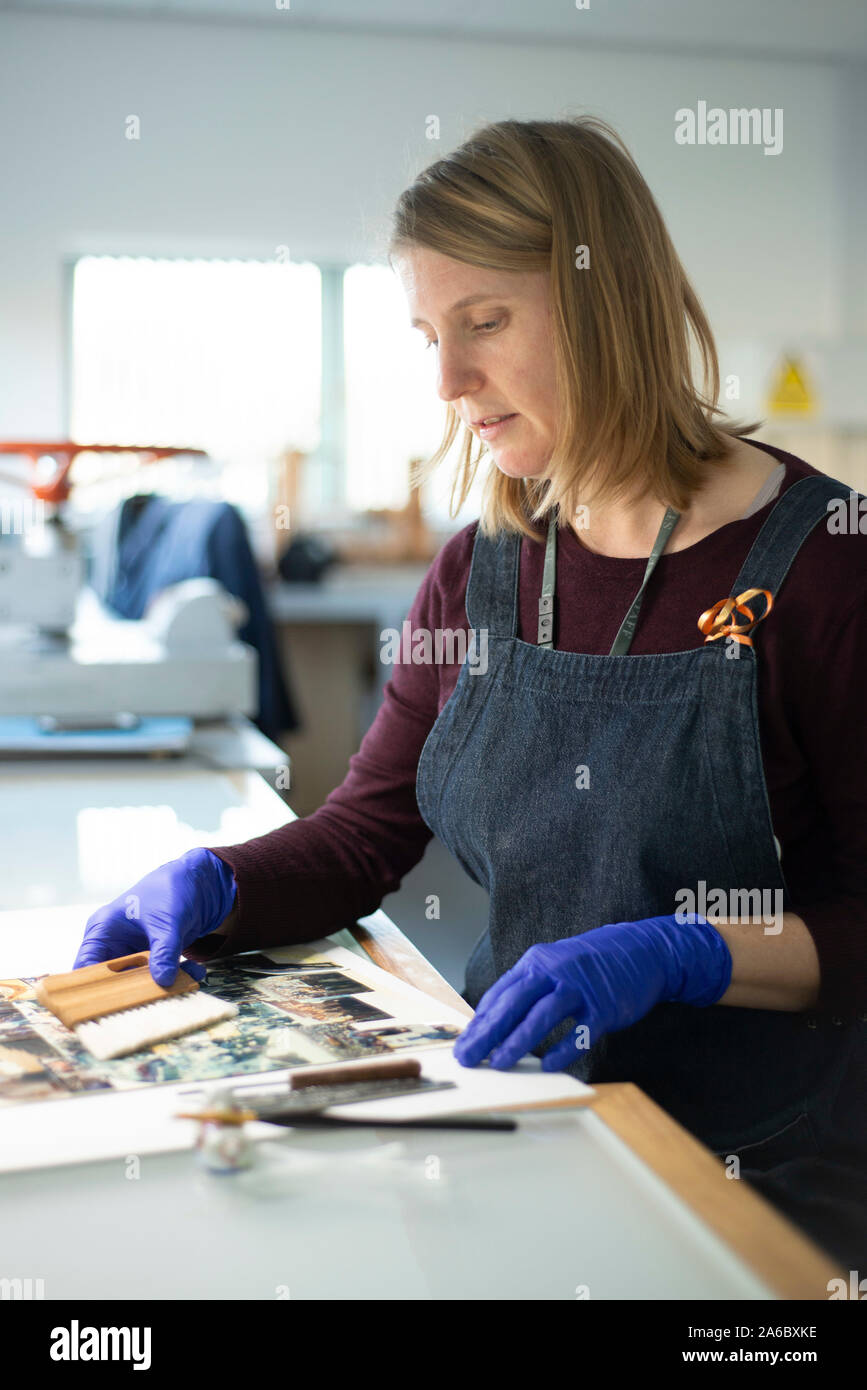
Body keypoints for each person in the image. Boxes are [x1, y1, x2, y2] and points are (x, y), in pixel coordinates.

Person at [76, 117, 867, 1271]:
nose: (448, 382)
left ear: (609, 303)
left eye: (485, 323)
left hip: (760, 1164)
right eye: (428, 336)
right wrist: (221, 883)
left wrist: (686, 951)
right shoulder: (486, 567)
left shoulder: (829, 563)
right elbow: (367, 833)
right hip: (521, 1118)